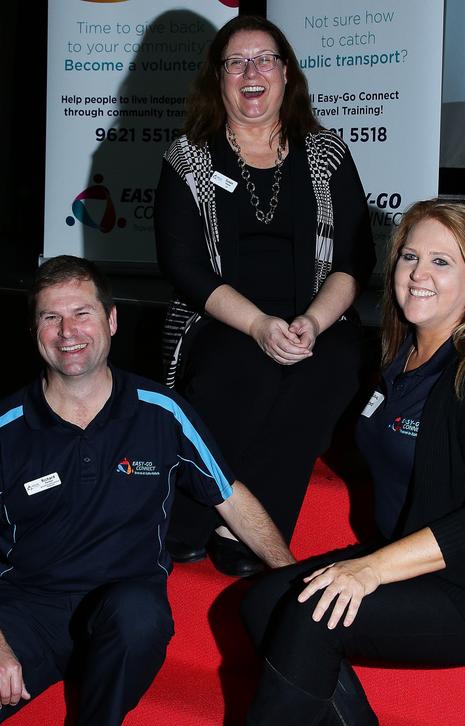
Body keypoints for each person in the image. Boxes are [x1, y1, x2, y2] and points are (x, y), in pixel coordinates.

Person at [135, 200, 465, 726]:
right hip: (412, 555)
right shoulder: (405, 358)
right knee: (261, 600)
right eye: (410, 256)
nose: (419, 273)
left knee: (309, 616)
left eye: (443, 262)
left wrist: (370, 570)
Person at [0, 255, 294, 726]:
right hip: (28, 612)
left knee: (141, 613)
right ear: (35, 332)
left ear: (111, 321)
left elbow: (232, 500)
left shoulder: (161, 412)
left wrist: (292, 579)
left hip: (121, 609)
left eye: (82, 313)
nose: (68, 331)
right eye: (50, 318)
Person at [155, 14, 374, 577]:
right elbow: (182, 266)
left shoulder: (326, 154)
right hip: (221, 319)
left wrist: (313, 324)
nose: (251, 72)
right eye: (236, 62)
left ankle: (246, 525)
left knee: (328, 369)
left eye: (265, 59)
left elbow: (356, 260)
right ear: (219, 78)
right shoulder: (189, 159)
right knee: (244, 368)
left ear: (285, 74)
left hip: (317, 319)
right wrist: (257, 325)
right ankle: (189, 510)